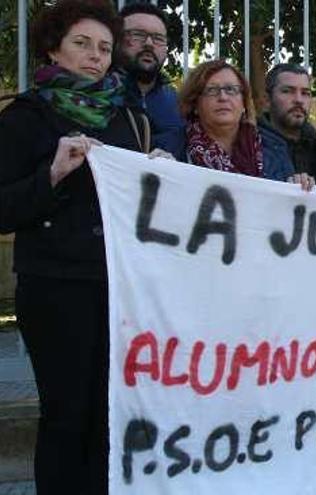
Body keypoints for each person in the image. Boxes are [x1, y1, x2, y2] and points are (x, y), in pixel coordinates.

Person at [0, 1, 156, 493]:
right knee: (66, 413)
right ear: (53, 48)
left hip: (117, 288)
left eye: (105, 48)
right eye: (82, 44)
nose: (95, 57)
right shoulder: (24, 117)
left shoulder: (127, 119)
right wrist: (53, 174)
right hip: (55, 288)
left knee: (110, 411)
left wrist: (156, 174)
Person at [173, 60, 312, 189]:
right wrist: (159, 164)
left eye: (231, 90)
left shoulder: (275, 150)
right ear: (195, 103)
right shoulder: (171, 148)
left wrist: (298, 184)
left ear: (244, 103)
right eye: (212, 90)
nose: (223, 97)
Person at [115, 2, 185, 159]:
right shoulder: (98, 94)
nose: (149, 44)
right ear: (116, 40)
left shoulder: (177, 103)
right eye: (138, 35)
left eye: (158, 38)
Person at [259, 63, 316, 183]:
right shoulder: (251, 147)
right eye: (287, 91)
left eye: (305, 93)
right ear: (267, 100)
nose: (298, 100)